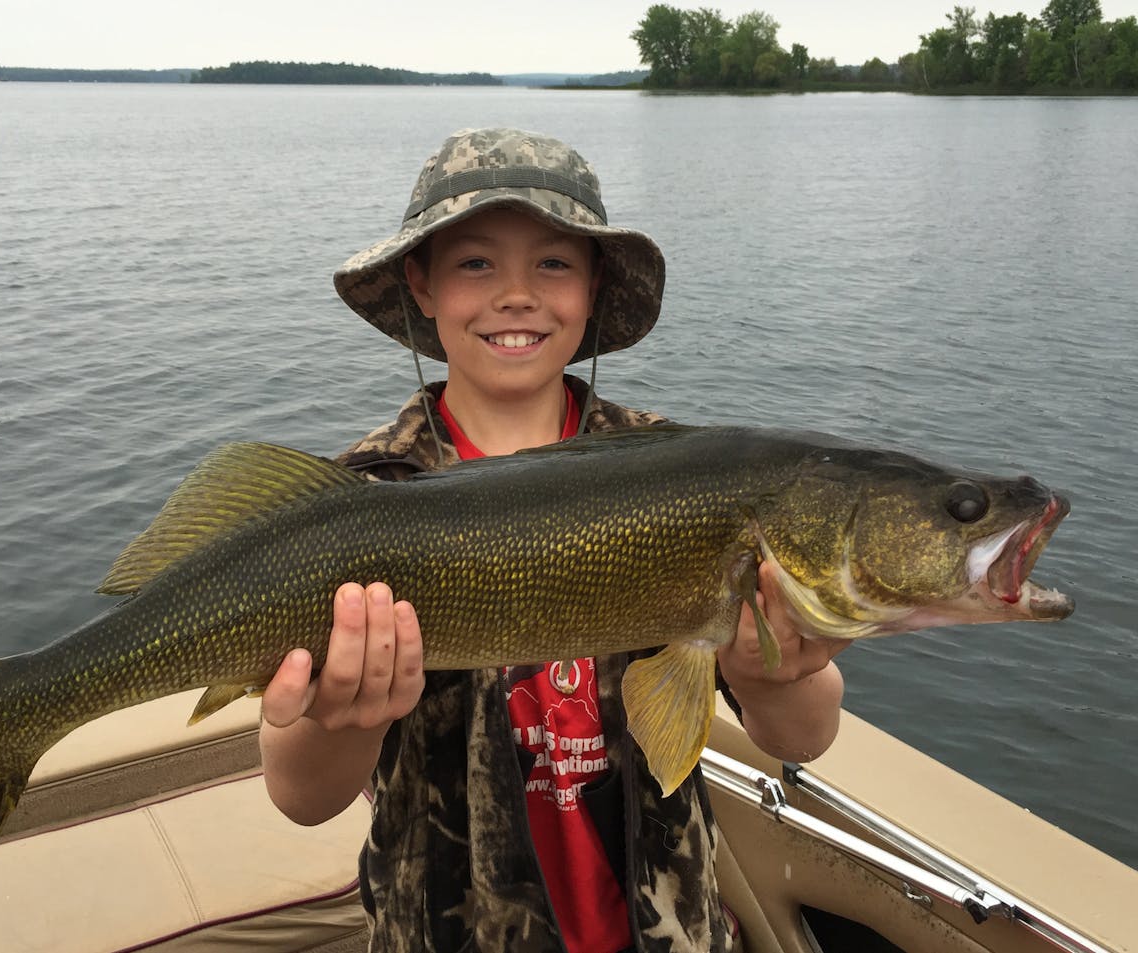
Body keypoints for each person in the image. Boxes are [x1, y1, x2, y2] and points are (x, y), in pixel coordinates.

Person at [258, 127, 846, 953]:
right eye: (475, 264)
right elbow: (300, 792)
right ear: (419, 284)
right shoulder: (358, 495)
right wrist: (345, 721)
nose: (516, 294)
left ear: (595, 285)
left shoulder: (681, 473)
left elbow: (805, 735)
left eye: (554, 263)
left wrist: (771, 675)